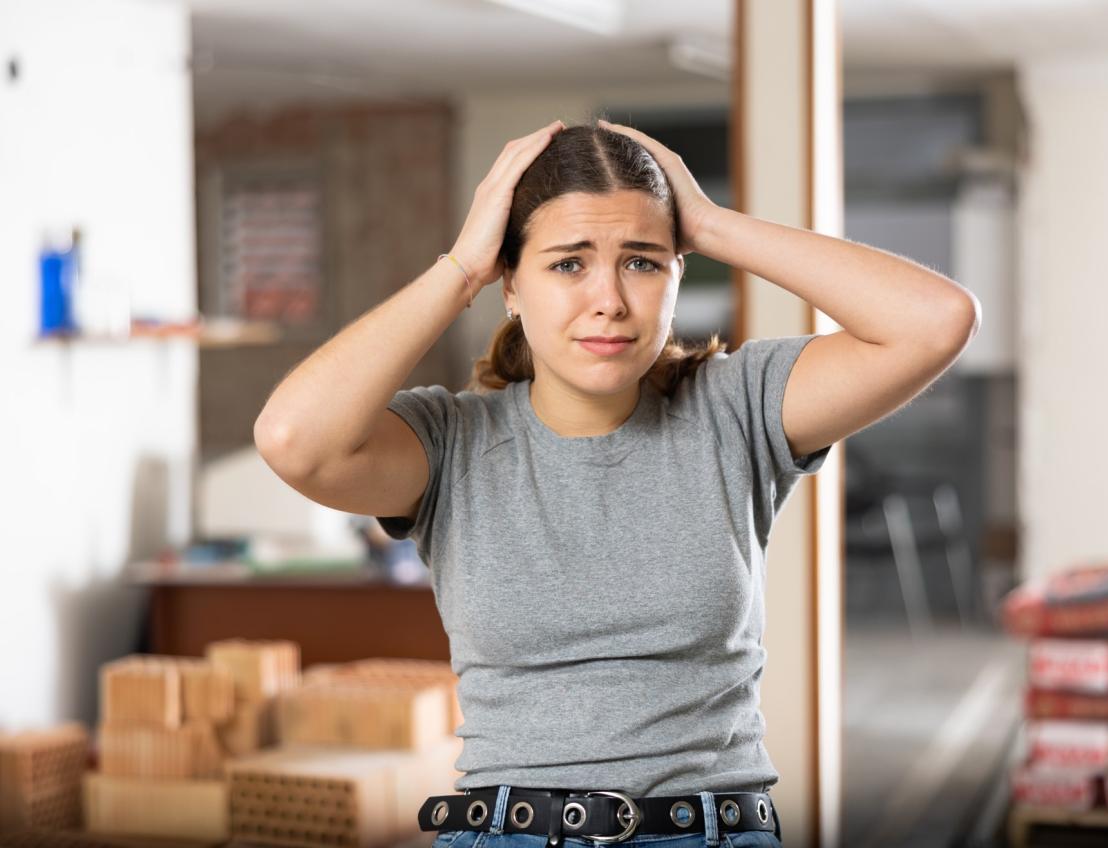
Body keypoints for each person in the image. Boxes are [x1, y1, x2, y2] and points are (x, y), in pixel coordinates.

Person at [254, 116, 980, 848]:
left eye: (642, 262)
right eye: (568, 264)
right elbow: (294, 440)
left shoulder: (736, 407)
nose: (609, 298)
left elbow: (936, 321)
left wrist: (713, 225)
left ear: (676, 273)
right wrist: (460, 270)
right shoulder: (450, 444)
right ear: (512, 285)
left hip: (712, 833)